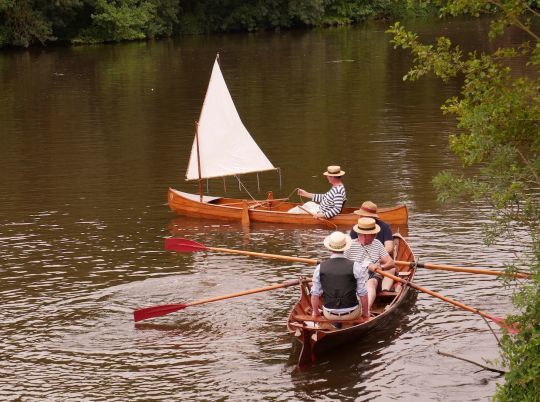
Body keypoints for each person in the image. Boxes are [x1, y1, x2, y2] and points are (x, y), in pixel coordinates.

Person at [310, 231, 370, 325]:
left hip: (329, 314)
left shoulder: (319, 267)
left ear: (330, 248)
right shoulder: (355, 266)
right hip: (352, 314)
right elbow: (363, 294)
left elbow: (315, 295)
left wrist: (316, 313)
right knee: (359, 297)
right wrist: (366, 314)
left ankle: (333, 325)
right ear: (345, 248)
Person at [344, 217, 395, 310]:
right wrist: (363, 267)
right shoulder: (349, 245)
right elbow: (342, 265)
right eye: (373, 234)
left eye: (374, 234)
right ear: (362, 234)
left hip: (373, 275)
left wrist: (380, 268)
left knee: (371, 283)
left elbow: (391, 262)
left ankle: (366, 310)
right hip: (354, 276)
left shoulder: (377, 243)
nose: (375, 236)